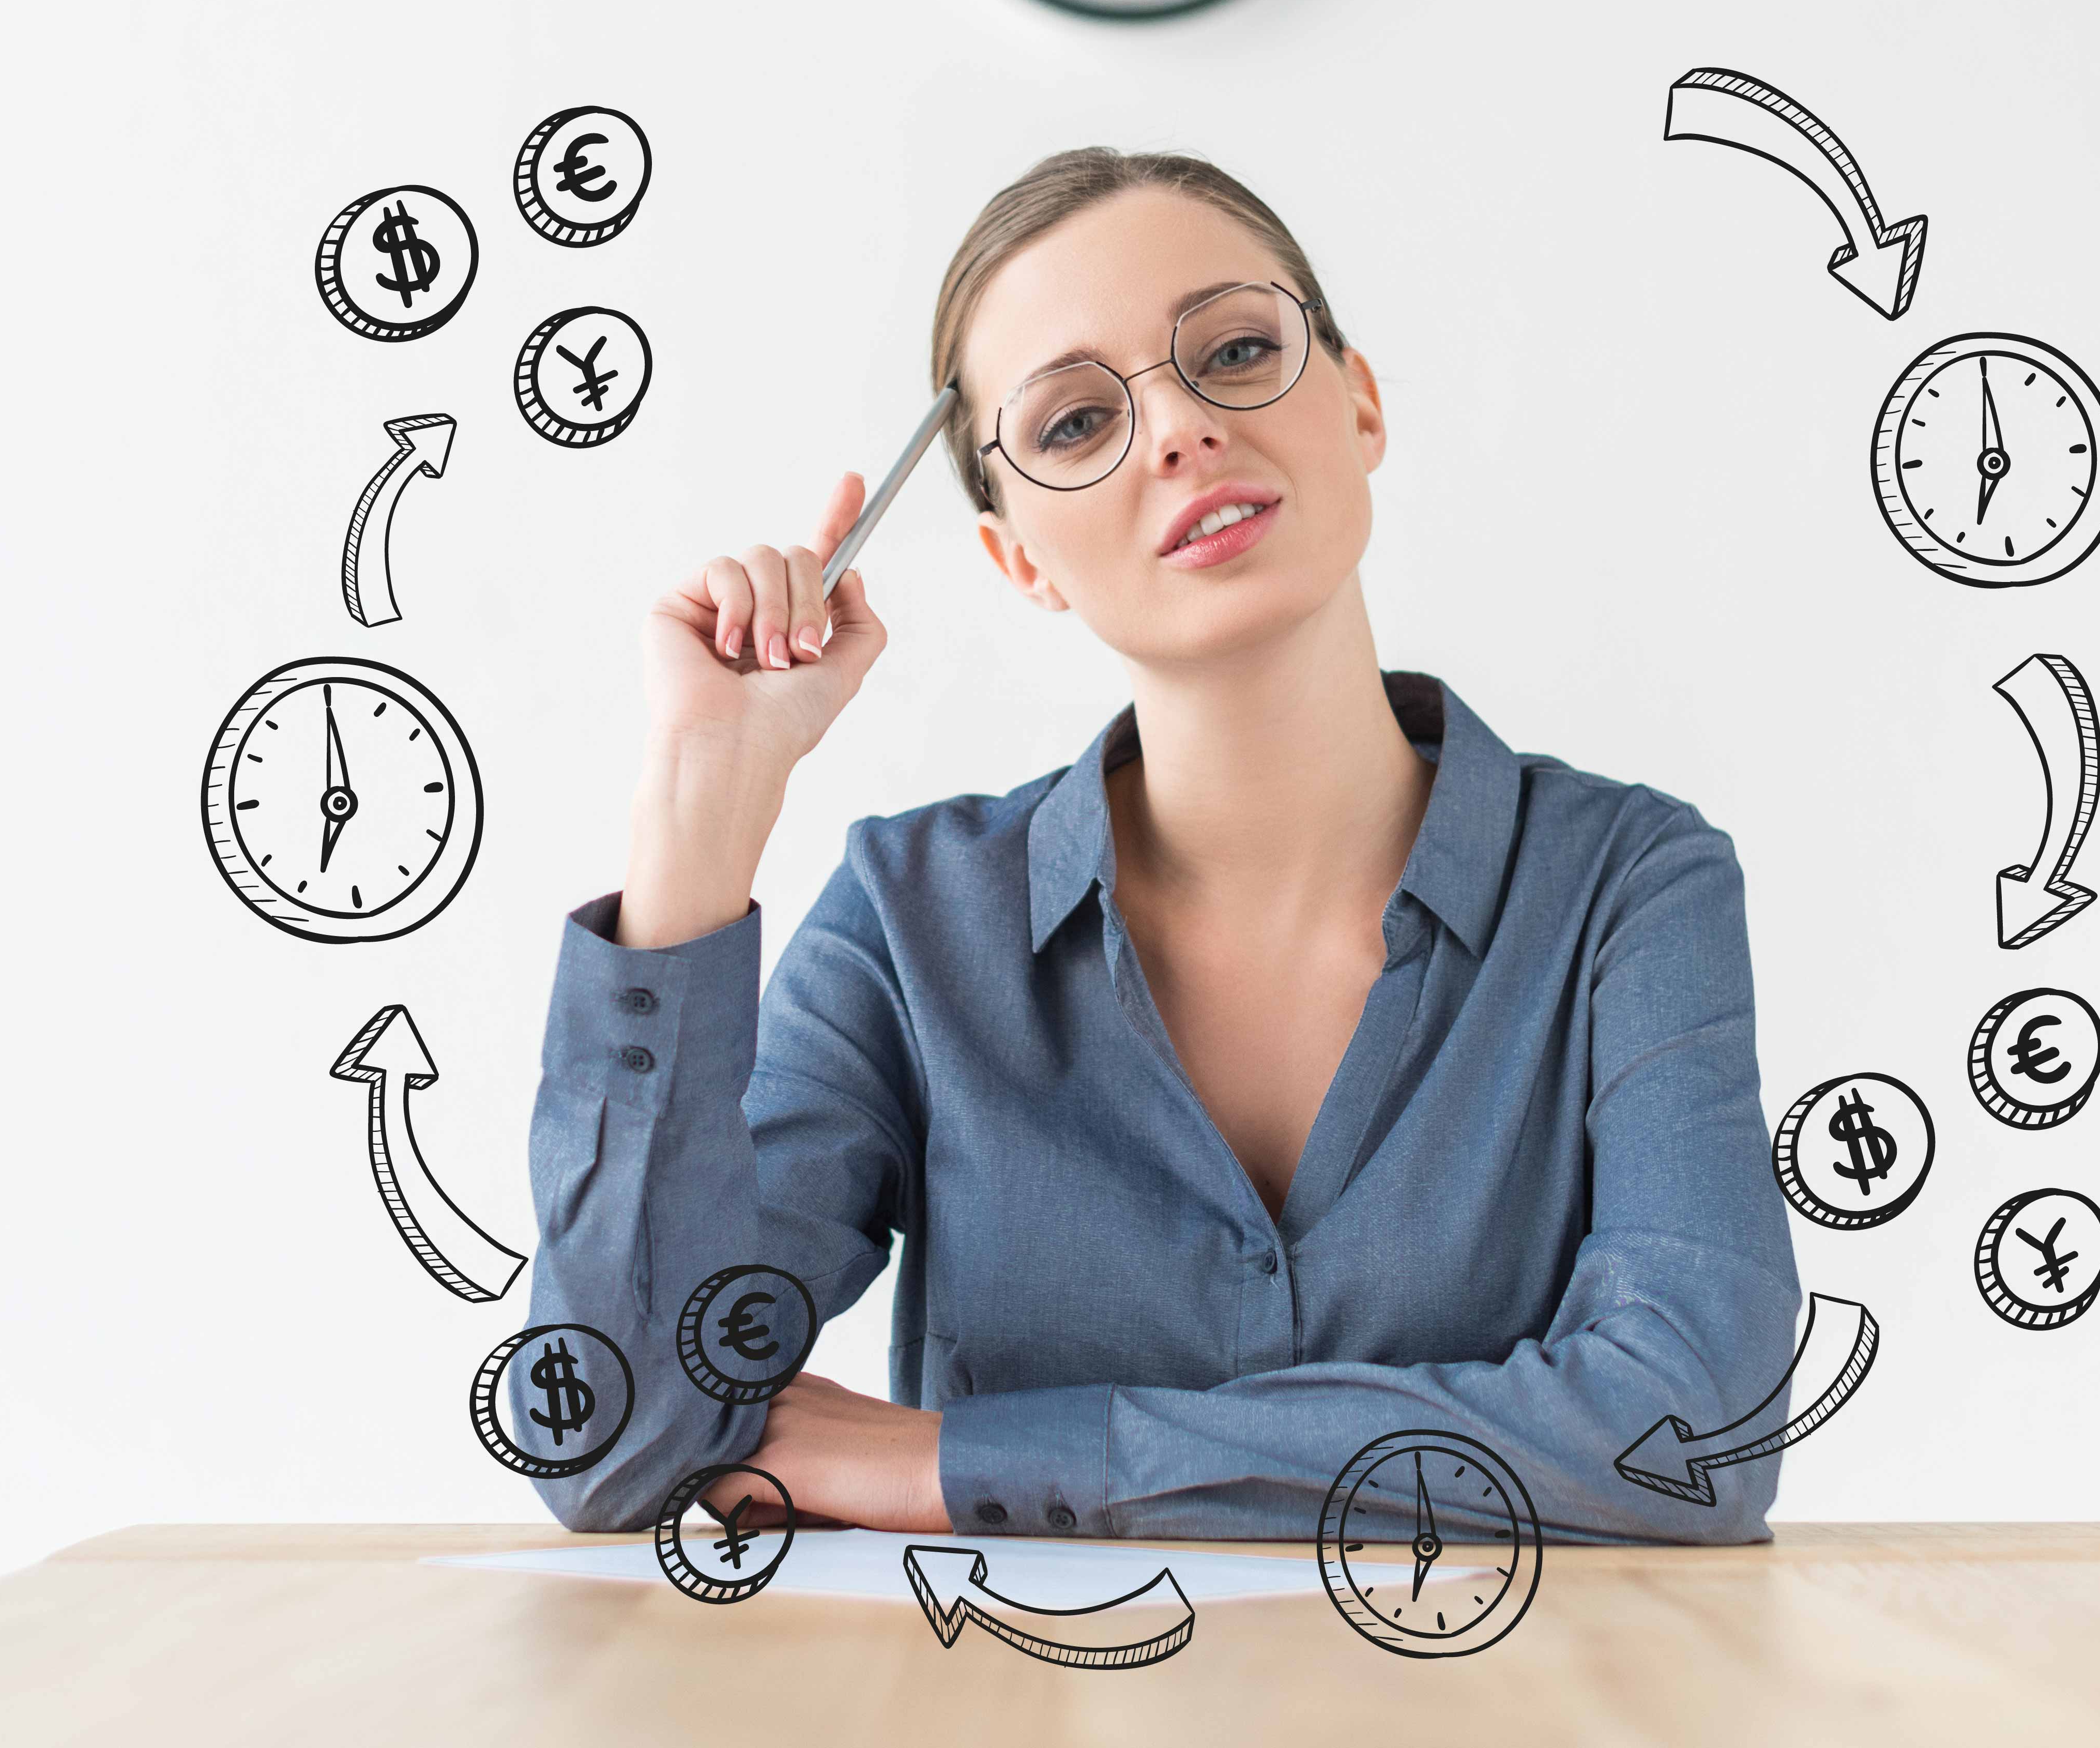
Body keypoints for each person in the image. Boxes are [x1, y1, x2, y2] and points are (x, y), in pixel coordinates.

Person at [515, 147, 1800, 1545]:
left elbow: (1689, 1430)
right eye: (1073, 424)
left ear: (1357, 403)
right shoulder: (910, 921)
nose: (1181, 427)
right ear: (1021, 562)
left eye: (1237, 348)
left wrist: (965, 1461)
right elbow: (620, 1437)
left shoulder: (1626, 885)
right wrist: (705, 802)